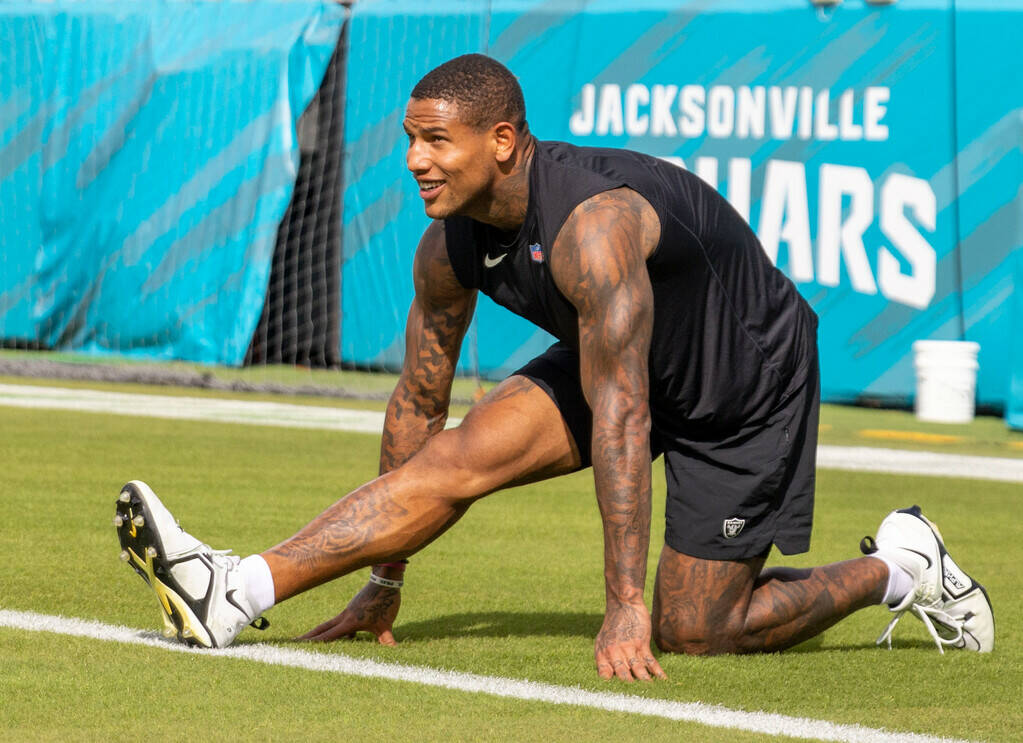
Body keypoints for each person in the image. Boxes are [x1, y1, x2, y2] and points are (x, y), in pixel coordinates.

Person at [115, 54, 993, 681]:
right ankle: (237, 588)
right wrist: (382, 582)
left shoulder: (594, 228)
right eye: (409, 140)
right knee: (456, 457)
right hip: (621, 360)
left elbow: (622, 418)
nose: (415, 160)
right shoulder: (445, 247)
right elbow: (417, 408)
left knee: (697, 631)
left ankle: (905, 565)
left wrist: (624, 604)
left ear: (501, 140)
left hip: (742, 385)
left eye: (435, 141)